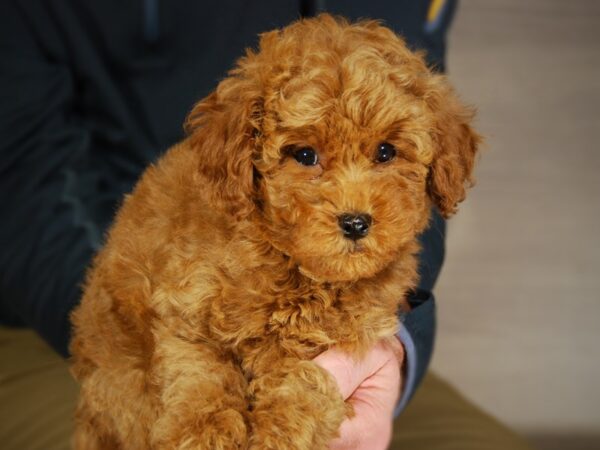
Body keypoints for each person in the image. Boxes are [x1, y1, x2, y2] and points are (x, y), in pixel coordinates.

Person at [1, 1, 531, 449]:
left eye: (384, 153)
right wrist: (144, 323)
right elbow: (22, 177)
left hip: (355, 344)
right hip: (89, 336)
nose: (353, 203)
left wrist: (388, 353)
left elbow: (418, 110)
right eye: (305, 155)